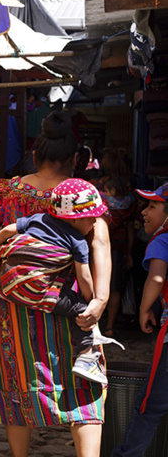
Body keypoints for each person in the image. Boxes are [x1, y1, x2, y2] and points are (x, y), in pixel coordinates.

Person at [0, 111, 111, 457]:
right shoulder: (82, 195)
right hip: (71, 308)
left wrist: (10, 275)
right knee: (85, 382)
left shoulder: (6, 192)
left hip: (15, 316)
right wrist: (101, 300)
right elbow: (100, 242)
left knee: (18, 381)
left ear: (35, 154)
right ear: (75, 158)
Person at [0, 179, 116, 384]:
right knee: (79, 310)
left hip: (6, 279)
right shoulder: (78, 241)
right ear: (74, 219)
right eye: (92, 218)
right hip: (39, 291)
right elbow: (84, 276)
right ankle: (86, 356)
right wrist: (91, 300)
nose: (95, 223)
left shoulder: (37, 219)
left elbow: (8, 230)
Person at [112, 183, 168, 456]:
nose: (144, 212)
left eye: (153, 206)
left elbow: (156, 278)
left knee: (149, 405)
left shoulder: (162, 240)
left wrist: (145, 308)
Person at [94, 149, 137, 337]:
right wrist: (129, 254)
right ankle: (110, 326)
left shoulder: (97, 187)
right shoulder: (129, 193)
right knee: (115, 287)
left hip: (95, 242)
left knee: (94, 283)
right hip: (118, 246)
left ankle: (91, 324)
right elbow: (130, 228)